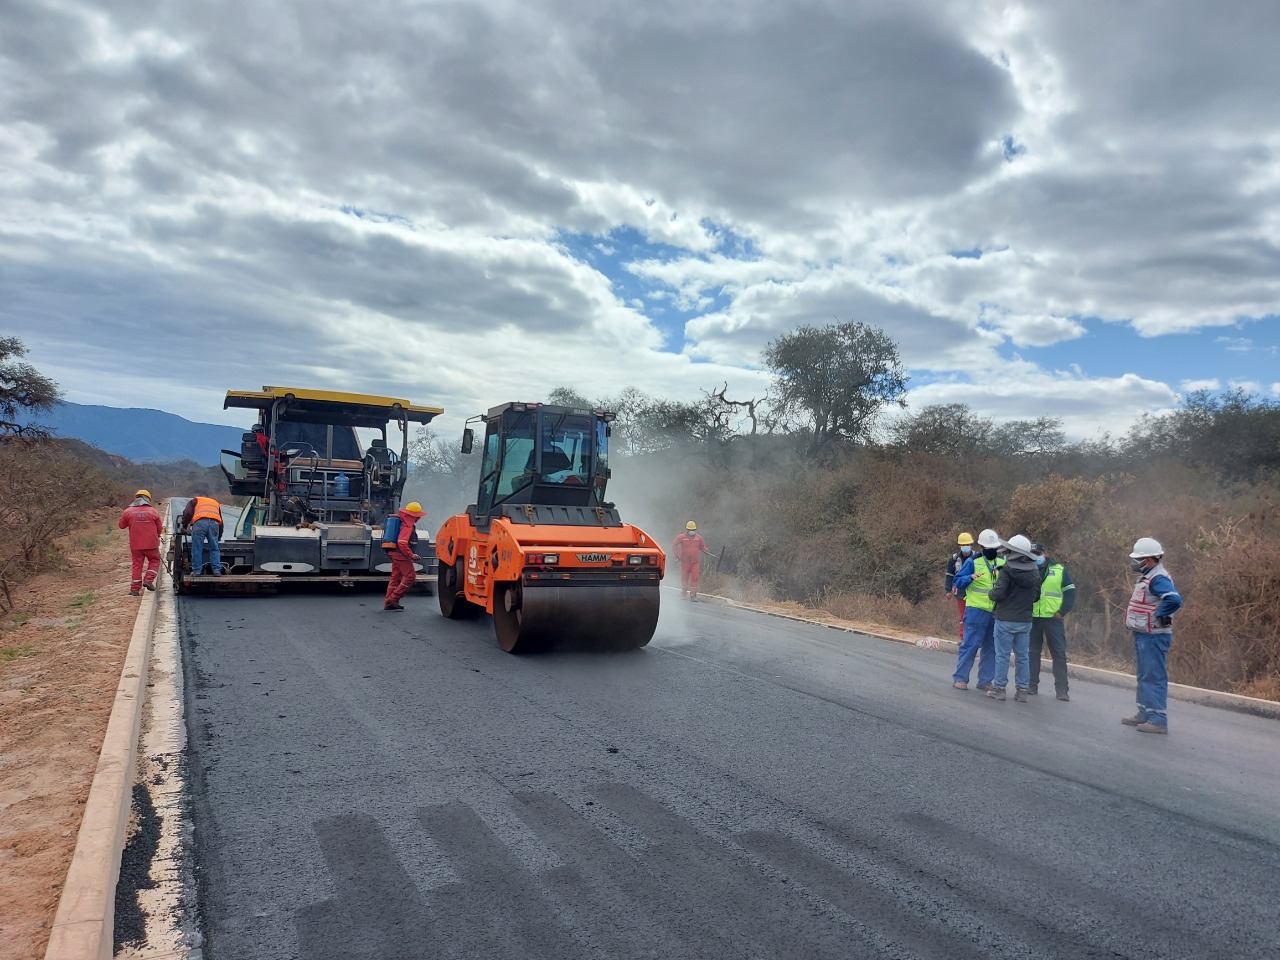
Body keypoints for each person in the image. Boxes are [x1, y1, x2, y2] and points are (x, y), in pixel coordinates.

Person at [1121, 537, 1182, 734]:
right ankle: (1144, 713)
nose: (1135, 562)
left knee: (1154, 676)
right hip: (1144, 634)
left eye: (1138, 558)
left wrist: (1159, 615)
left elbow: (1174, 599)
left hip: (1154, 635)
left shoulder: (1158, 578)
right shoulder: (1149, 576)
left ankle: (1158, 719)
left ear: (1148, 559)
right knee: (1145, 675)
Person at [986, 534, 1042, 702]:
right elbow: (1036, 596)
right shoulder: (1034, 571)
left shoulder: (1007, 570)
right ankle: (1022, 691)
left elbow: (998, 593)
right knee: (1023, 656)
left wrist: (991, 593)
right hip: (1025, 620)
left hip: (1005, 619)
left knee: (1002, 655)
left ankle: (1000, 689)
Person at [951, 528, 1003, 691]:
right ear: (981, 548)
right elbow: (957, 582)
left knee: (991, 647)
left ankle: (985, 680)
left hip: (995, 612)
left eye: (994, 549)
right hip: (976, 611)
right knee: (970, 644)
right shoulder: (973, 562)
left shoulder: (1002, 563)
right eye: (989, 549)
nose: (992, 551)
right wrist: (969, 578)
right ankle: (960, 678)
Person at [1029, 542, 1076, 700]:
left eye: (1038, 553)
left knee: (1059, 654)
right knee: (1032, 653)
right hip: (1033, 617)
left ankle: (1062, 691)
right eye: (1033, 554)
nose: (1036, 557)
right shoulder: (1028, 569)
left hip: (1053, 619)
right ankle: (1031, 686)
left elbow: (1070, 592)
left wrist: (1062, 611)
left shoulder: (1059, 570)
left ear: (1045, 553)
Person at [118, 489, 163, 596]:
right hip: (151, 544)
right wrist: (157, 534)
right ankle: (148, 580)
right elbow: (160, 528)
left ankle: (134, 590)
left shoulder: (128, 511)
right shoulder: (153, 512)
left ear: (136, 498)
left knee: (137, 565)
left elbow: (121, 525)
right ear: (148, 499)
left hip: (136, 545)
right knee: (154, 561)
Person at [383, 501, 426, 611]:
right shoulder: (407, 525)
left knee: (395, 578)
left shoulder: (401, 521)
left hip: (393, 553)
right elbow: (402, 542)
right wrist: (411, 554)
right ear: (414, 516)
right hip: (401, 555)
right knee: (410, 576)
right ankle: (394, 598)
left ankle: (388, 603)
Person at [181, 495, 224, 576]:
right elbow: (220, 521)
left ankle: (197, 571)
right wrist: (219, 536)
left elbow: (187, 513)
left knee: (197, 548)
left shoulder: (195, 500)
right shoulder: (215, 503)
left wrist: (184, 526)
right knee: (214, 548)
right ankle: (217, 571)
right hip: (214, 524)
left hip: (200, 523)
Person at [672, 520, 714, 601]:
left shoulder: (698, 538)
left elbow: (702, 547)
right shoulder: (682, 537)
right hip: (685, 562)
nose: (692, 532)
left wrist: (705, 550)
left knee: (695, 578)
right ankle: (683, 594)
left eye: (693, 530)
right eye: (691, 530)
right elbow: (674, 544)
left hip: (695, 562)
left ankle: (693, 596)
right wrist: (676, 556)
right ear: (687, 530)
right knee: (684, 578)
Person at [946, 533, 975, 641]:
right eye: (963, 544)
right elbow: (950, 575)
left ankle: (972, 638)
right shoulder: (954, 559)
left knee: (972, 615)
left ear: (971, 544)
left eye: (967, 544)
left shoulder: (977, 558)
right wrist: (948, 590)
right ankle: (963, 638)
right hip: (960, 592)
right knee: (963, 615)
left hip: (973, 592)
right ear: (959, 546)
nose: (965, 547)